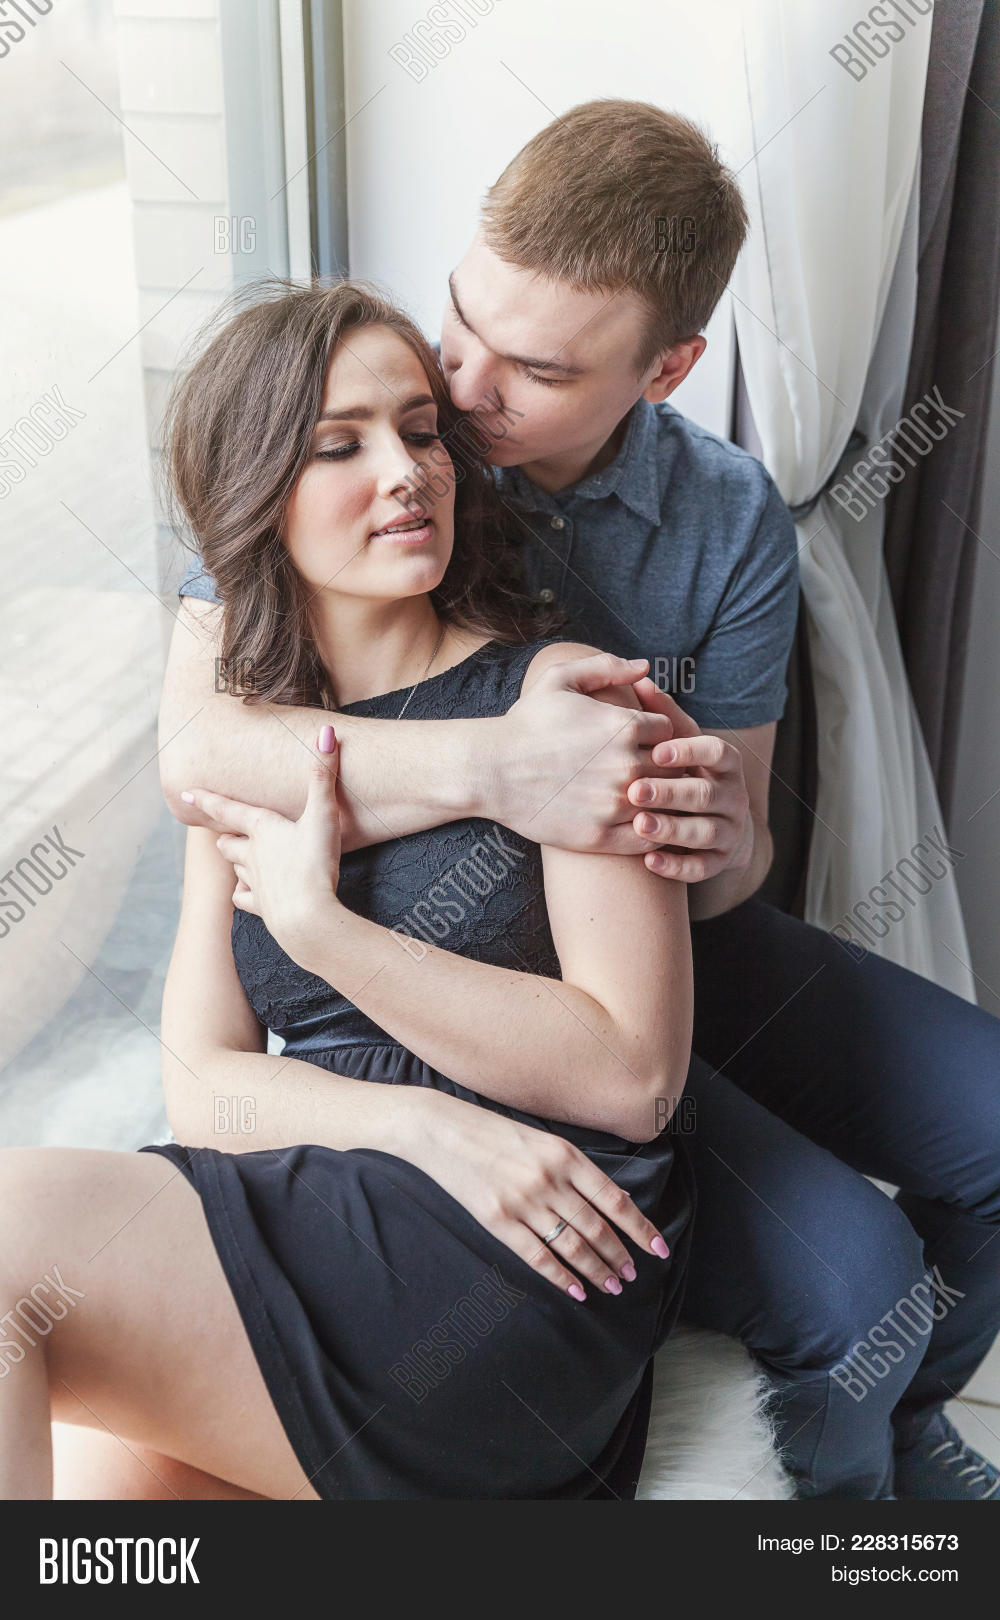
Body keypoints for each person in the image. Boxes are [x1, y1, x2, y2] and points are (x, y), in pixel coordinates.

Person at [159, 101, 1000, 1501]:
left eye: (535, 370)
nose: (462, 388)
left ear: (666, 370)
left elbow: (733, 868)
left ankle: (908, 1432)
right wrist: (501, 768)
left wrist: (725, 840)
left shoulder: (726, 518)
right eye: (462, 320)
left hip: (668, 947)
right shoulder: (372, 433)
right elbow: (199, 744)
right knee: (852, 1286)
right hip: (473, 960)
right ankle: (845, 1497)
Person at [8, 280, 697, 1503]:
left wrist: (322, 933)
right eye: (341, 445)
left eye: (421, 430)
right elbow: (202, 1085)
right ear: (257, 495)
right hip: (336, 1176)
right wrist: (421, 1126)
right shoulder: (245, 748)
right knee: (111, 1518)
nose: (406, 471)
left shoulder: (565, 702)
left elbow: (632, 1076)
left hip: (534, 1248)